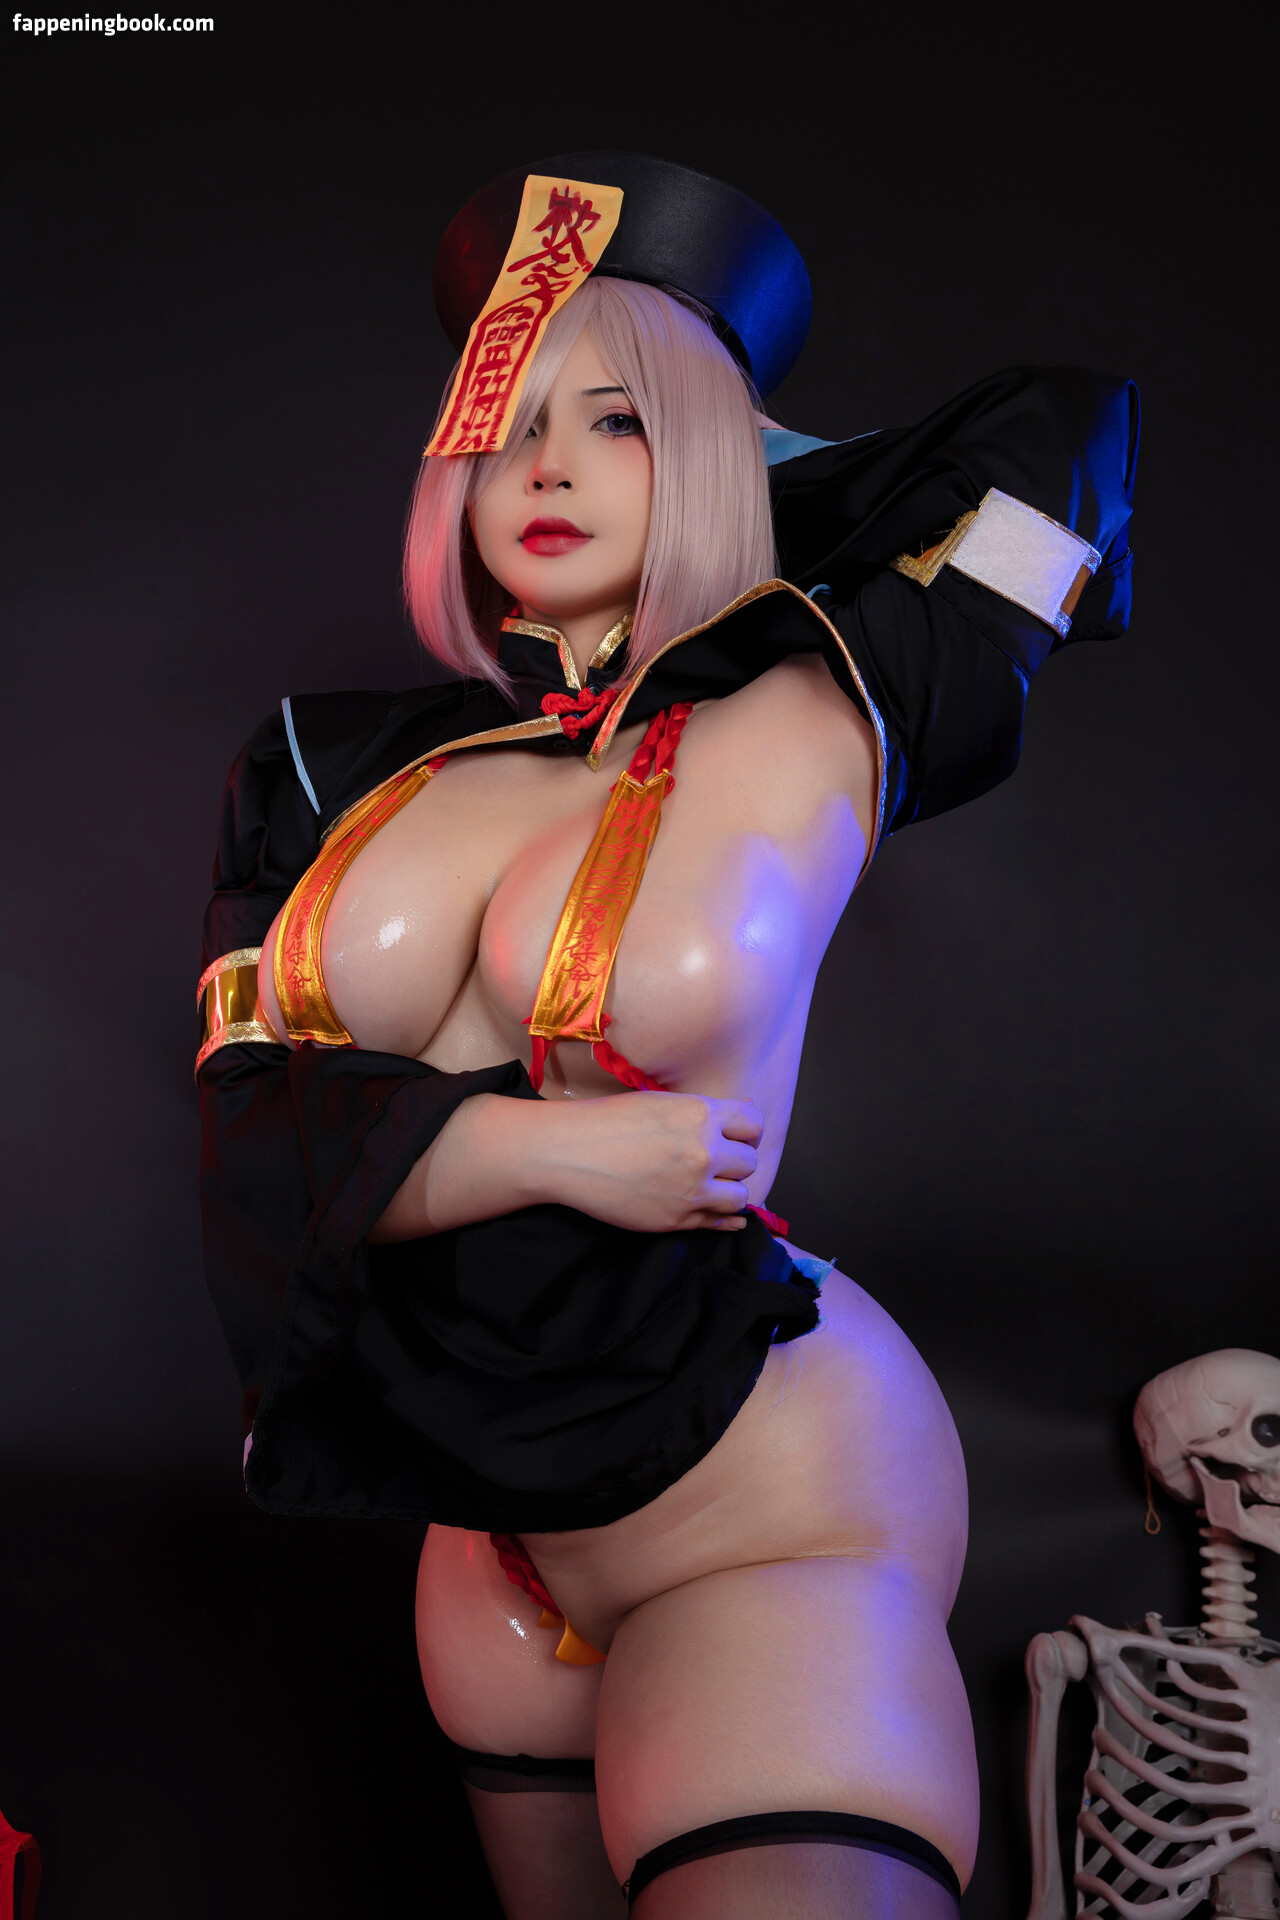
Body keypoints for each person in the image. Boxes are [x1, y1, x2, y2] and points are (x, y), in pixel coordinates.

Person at [196, 153, 1139, 1918]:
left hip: (760, 1502)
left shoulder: (829, 697)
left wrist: (741, 450)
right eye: (508, 428)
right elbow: (248, 1124)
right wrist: (546, 1149)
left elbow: (1072, 441)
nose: (548, 466)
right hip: (489, 1544)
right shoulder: (324, 774)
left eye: (617, 423)